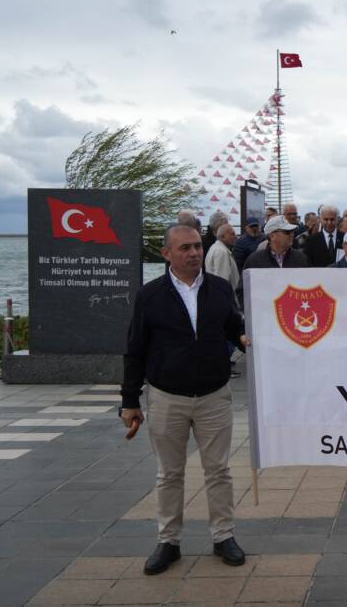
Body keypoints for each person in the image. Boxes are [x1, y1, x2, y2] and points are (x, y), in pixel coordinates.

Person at [121, 224, 249, 575]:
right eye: (185, 248)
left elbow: (232, 327)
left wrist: (244, 338)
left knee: (219, 471)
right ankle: (168, 542)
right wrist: (129, 400)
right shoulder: (150, 295)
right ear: (167, 254)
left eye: (197, 247)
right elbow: (134, 350)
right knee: (169, 474)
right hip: (166, 397)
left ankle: (224, 536)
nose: (193, 253)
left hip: (213, 395)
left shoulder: (220, 289)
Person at [243, 216, 311, 271]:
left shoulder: (301, 259)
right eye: (287, 232)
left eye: (292, 231)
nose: (291, 235)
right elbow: (243, 287)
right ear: (272, 236)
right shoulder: (255, 261)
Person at [205, 224, 239, 292]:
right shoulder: (221, 252)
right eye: (232, 234)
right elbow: (222, 280)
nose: (235, 237)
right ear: (223, 237)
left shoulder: (214, 248)